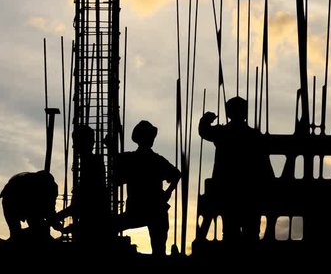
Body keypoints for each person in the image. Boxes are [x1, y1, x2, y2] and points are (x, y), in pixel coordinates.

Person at [198, 96, 272, 244]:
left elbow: (204, 131)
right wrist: (269, 183)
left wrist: (206, 119)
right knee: (251, 234)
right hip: (250, 192)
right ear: (245, 113)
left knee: (231, 234)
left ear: (229, 113)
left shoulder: (222, 132)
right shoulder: (254, 135)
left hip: (227, 190)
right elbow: (265, 164)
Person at [115, 120, 180, 256]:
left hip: (138, 210)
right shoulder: (156, 160)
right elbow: (176, 175)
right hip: (154, 210)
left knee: (109, 227)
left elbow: (117, 178)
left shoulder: (129, 159)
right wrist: (167, 193)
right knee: (159, 250)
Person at [56, 125, 111, 243]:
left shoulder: (91, 166)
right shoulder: (92, 163)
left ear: (85, 143)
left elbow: (82, 205)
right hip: (89, 227)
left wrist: (55, 218)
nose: (73, 146)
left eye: (76, 142)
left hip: (92, 232)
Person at [0, 170, 59, 245]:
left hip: (11, 199)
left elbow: (50, 209)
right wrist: (55, 223)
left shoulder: (48, 187)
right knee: (33, 230)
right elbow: (49, 210)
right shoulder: (44, 188)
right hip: (12, 199)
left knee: (18, 231)